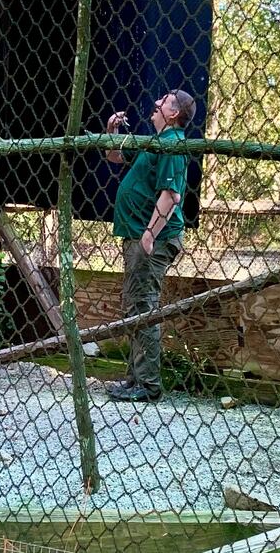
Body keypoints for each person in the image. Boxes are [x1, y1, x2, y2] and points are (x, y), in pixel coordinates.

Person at [105, 90, 196, 402]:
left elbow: (171, 195)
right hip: (139, 236)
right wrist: (112, 131)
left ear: (172, 113)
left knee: (143, 307)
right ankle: (136, 378)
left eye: (163, 101)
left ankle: (148, 384)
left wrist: (149, 234)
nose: (155, 103)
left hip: (151, 239)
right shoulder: (155, 142)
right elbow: (114, 156)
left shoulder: (173, 145)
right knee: (135, 306)